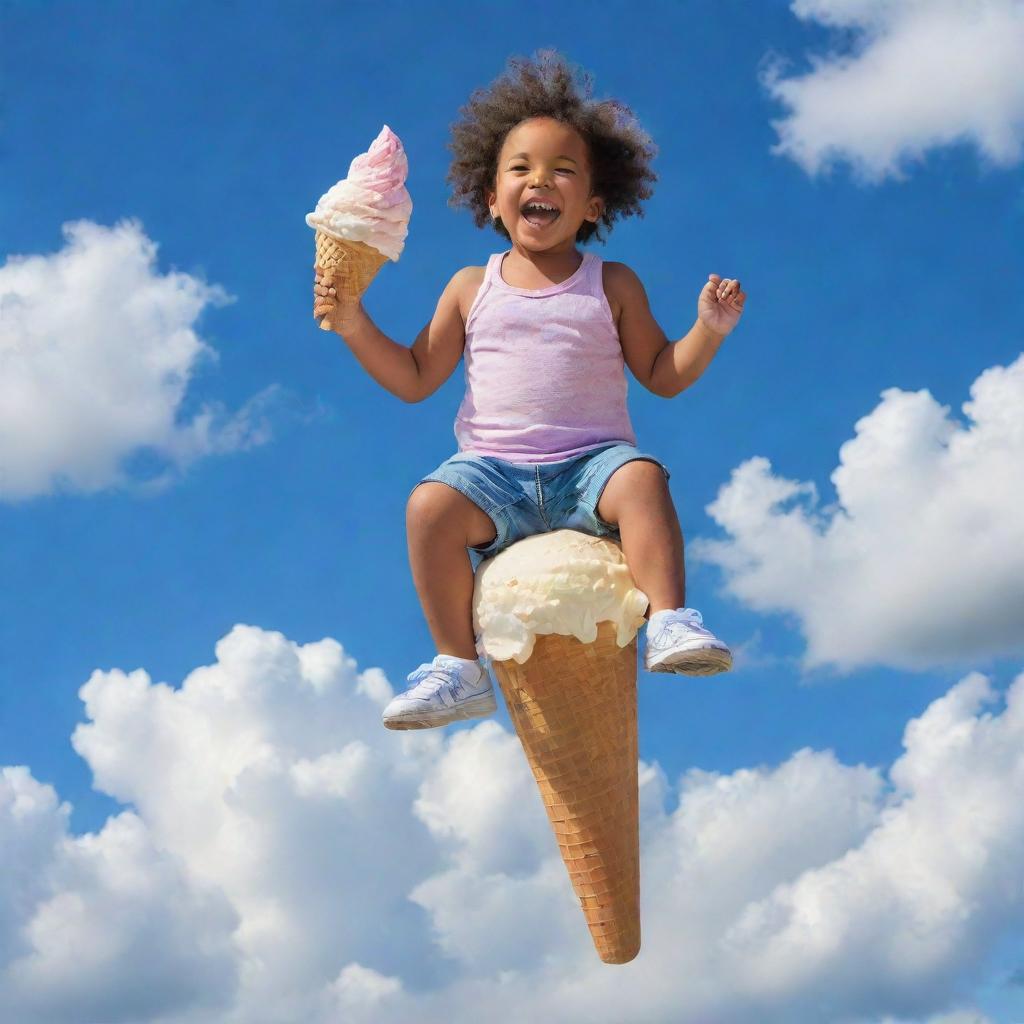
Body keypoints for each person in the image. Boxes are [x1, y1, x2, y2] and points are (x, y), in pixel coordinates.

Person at [313, 50, 747, 731]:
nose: (538, 180)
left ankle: (669, 621)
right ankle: (458, 665)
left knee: (645, 481)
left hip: (590, 469)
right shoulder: (468, 286)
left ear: (593, 205)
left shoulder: (613, 283)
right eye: (520, 168)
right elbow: (414, 378)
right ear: (491, 196)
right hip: (493, 476)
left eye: (562, 170)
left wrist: (709, 329)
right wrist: (351, 321)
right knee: (428, 506)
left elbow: (663, 374)